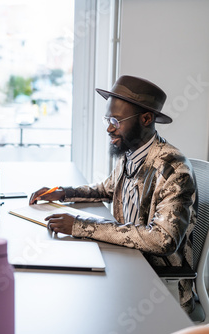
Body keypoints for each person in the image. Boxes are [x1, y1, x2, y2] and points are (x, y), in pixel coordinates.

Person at [29, 75, 196, 314]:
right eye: (108, 119)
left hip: (158, 285)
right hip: (126, 262)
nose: (109, 128)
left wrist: (81, 226)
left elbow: (162, 240)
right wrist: (62, 193)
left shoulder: (174, 168)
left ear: (146, 119)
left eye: (116, 121)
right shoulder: (131, 152)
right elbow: (106, 189)